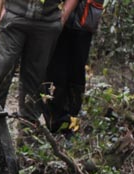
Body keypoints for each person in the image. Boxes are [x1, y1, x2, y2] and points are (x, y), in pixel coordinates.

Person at [0, 0, 80, 124]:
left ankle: (27, 130)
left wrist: (63, 16)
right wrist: (1, 10)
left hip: (47, 22)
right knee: (2, 69)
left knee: (35, 79)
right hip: (13, 16)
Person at [43, 0, 106, 133]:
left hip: (84, 19)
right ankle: (55, 122)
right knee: (55, 71)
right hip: (58, 18)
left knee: (76, 73)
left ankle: (71, 119)